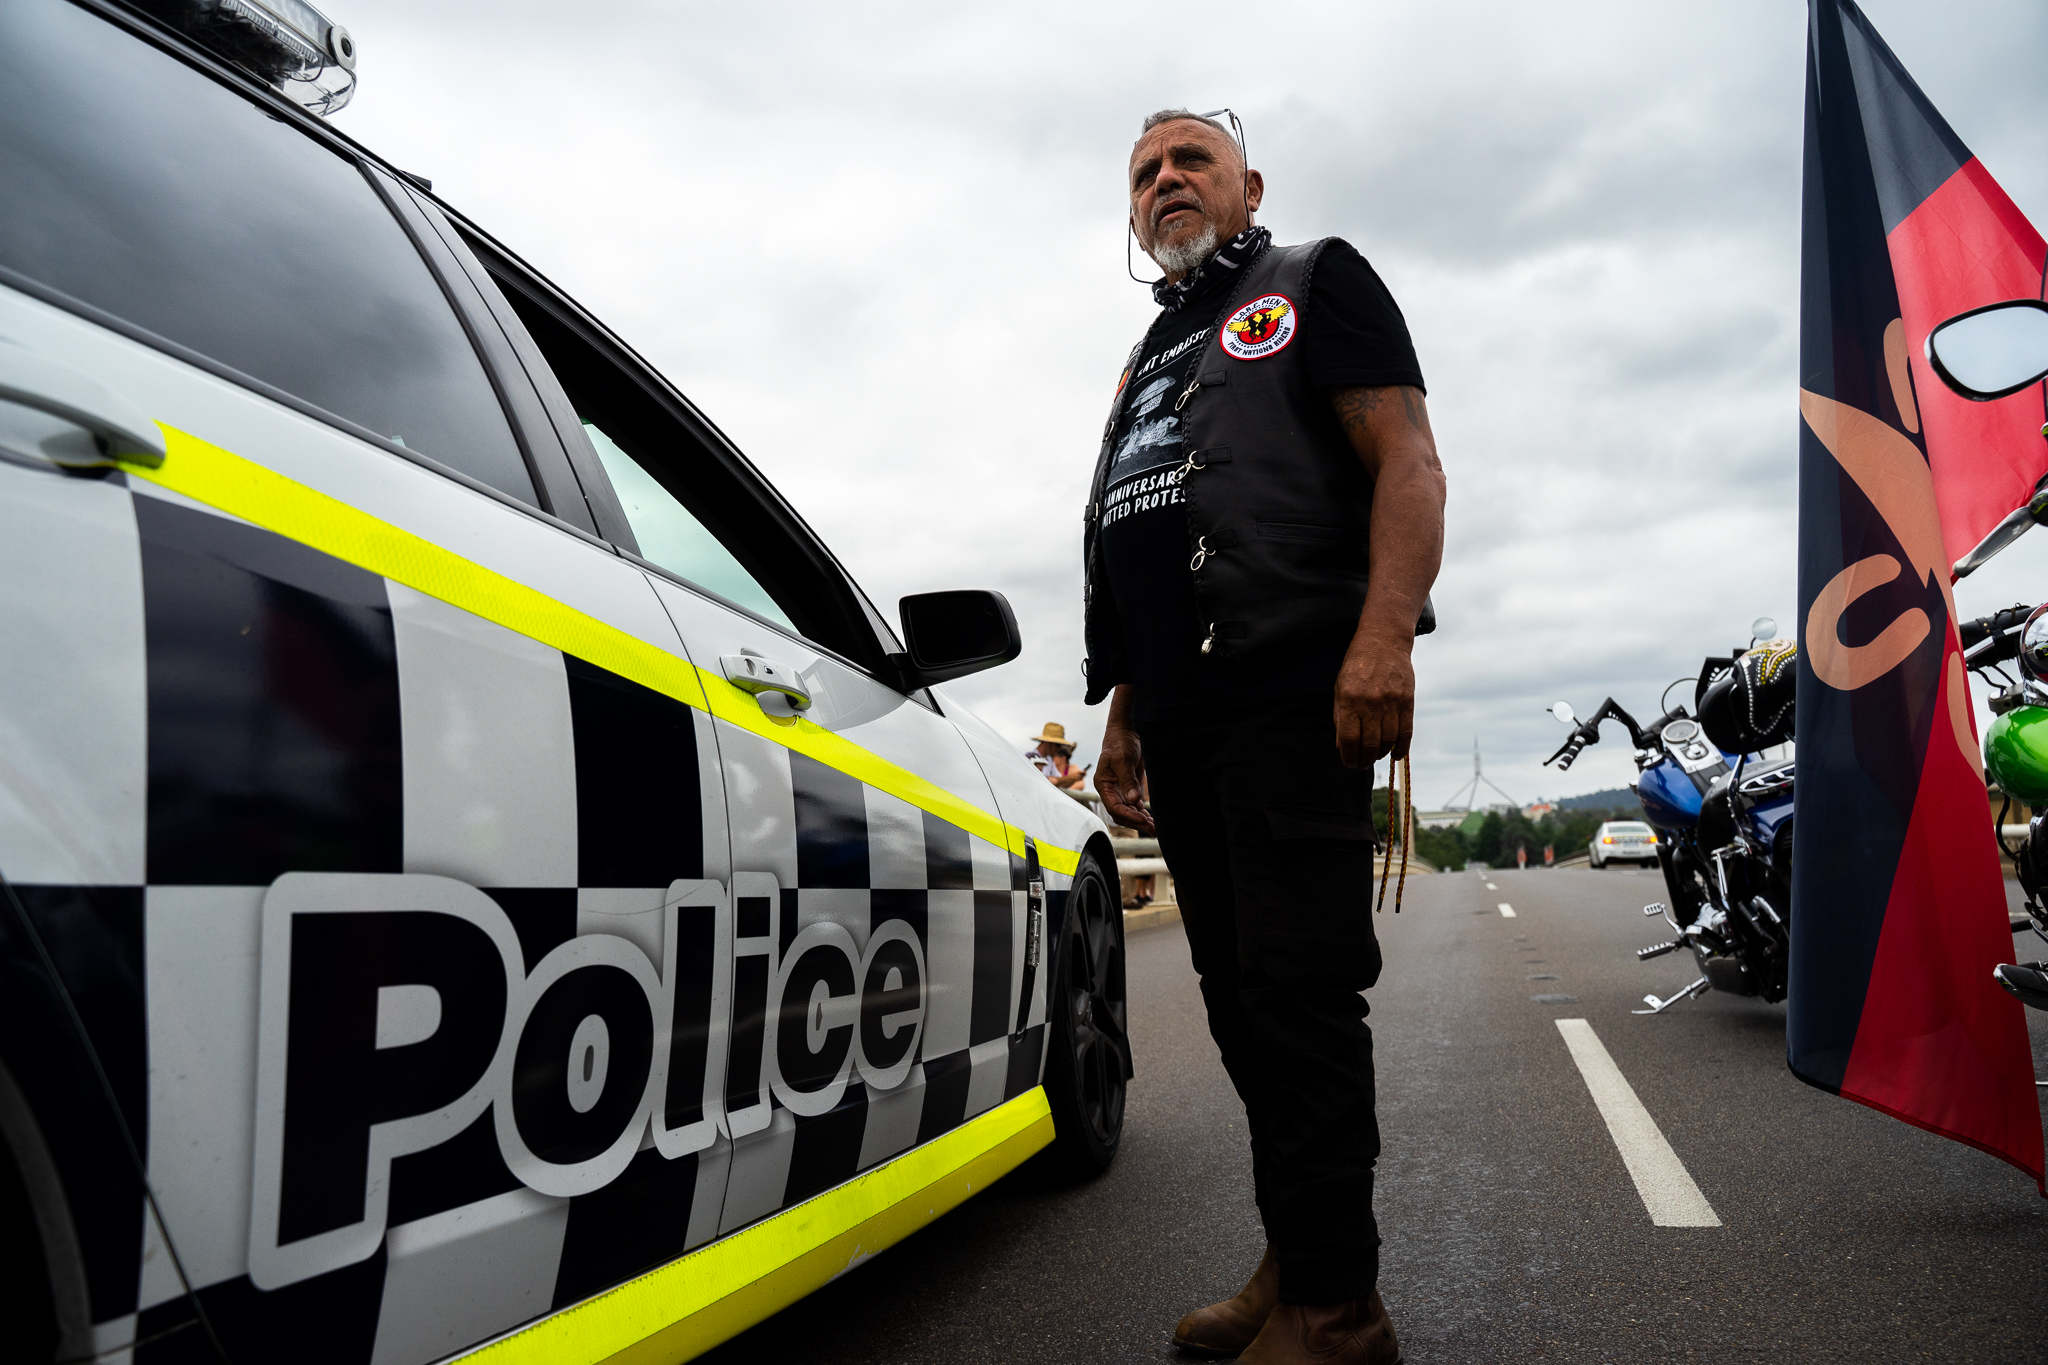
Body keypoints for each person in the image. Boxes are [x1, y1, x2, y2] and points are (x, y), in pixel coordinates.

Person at [1085, 109, 1444, 1365]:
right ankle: (1299, 1256)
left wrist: (1382, 641)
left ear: (1249, 188)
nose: (1165, 181)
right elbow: (1145, 533)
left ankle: (1336, 1314)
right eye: (1145, 173)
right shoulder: (1154, 347)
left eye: (1191, 161)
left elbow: (1407, 462)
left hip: (1292, 690)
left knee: (1296, 1000)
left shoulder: (1313, 280)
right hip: (1179, 714)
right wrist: (1125, 713)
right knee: (1238, 1006)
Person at [1025, 721, 1089, 791]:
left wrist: (1074, 778)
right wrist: (1070, 778)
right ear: (1047, 743)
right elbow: (1046, 782)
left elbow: (1057, 780)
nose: (1059, 749)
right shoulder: (1033, 758)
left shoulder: (1049, 760)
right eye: (1058, 745)